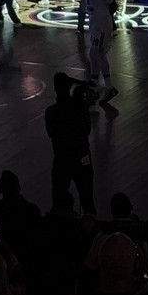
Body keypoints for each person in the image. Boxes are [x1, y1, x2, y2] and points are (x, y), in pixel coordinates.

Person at [44, 72, 95, 214]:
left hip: (62, 159)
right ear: (69, 87)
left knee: (58, 199)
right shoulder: (81, 109)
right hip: (82, 158)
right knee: (87, 201)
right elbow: (87, 130)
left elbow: (50, 133)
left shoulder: (51, 112)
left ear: (55, 89)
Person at [86, 0, 118, 106]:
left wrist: (107, 19)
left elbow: (113, 5)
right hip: (94, 25)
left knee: (98, 53)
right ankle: (94, 85)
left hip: (102, 26)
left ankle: (109, 87)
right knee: (93, 54)